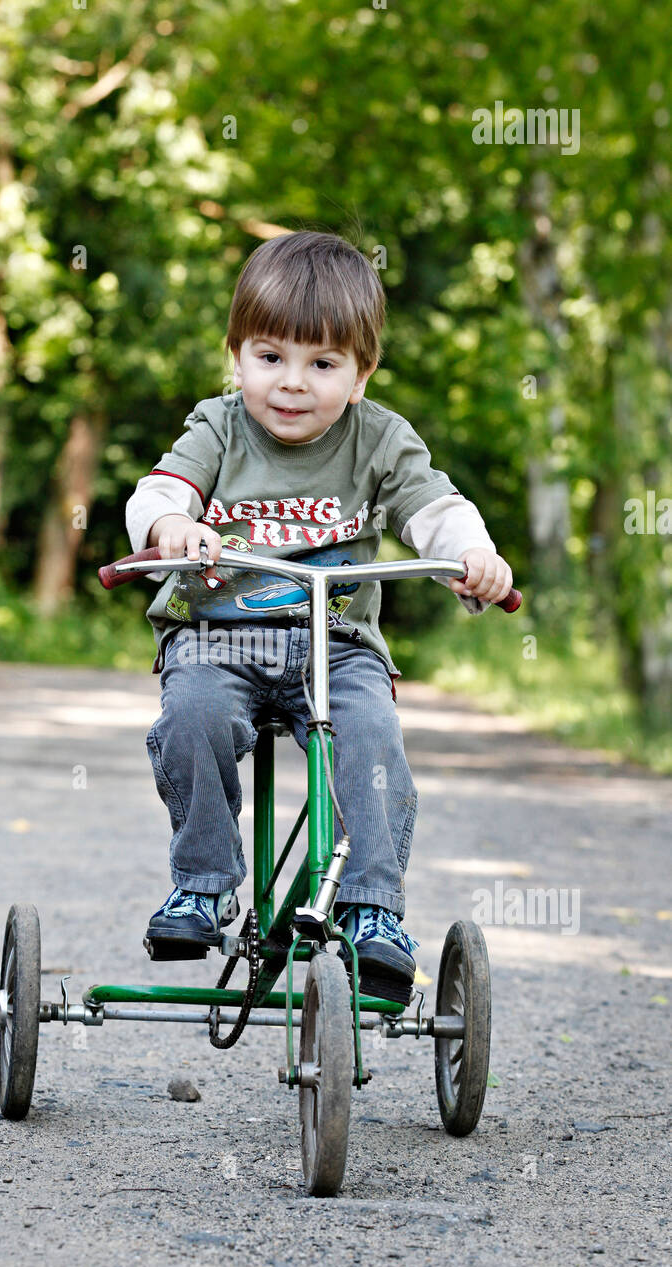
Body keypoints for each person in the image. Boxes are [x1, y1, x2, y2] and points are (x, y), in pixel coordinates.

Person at [124, 230, 513, 999]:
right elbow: (160, 491)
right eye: (270, 357)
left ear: (361, 374)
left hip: (336, 648)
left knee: (371, 741)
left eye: (323, 363)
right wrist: (172, 527)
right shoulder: (219, 425)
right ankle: (203, 885)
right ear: (237, 355)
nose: (292, 383)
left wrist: (474, 556)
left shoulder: (379, 439)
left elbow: (435, 507)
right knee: (191, 718)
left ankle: (373, 911)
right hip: (217, 637)